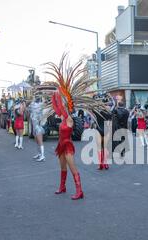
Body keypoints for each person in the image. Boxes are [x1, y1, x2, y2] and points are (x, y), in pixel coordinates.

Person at [47, 53, 107, 200]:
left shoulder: (69, 120)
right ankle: (62, 187)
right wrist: (54, 94)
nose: (64, 109)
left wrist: (60, 91)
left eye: (66, 107)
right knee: (62, 168)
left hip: (67, 145)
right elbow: (56, 106)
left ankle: (79, 191)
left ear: (68, 108)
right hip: (60, 145)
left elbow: (60, 105)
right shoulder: (63, 117)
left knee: (72, 167)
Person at [28, 94, 46, 162]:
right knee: (37, 141)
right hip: (35, 126)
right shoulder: (39, 105)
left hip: (38, 126)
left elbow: (30, 107)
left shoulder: (34, 105)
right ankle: (39, 154)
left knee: (40, 141)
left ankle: (42, 156)